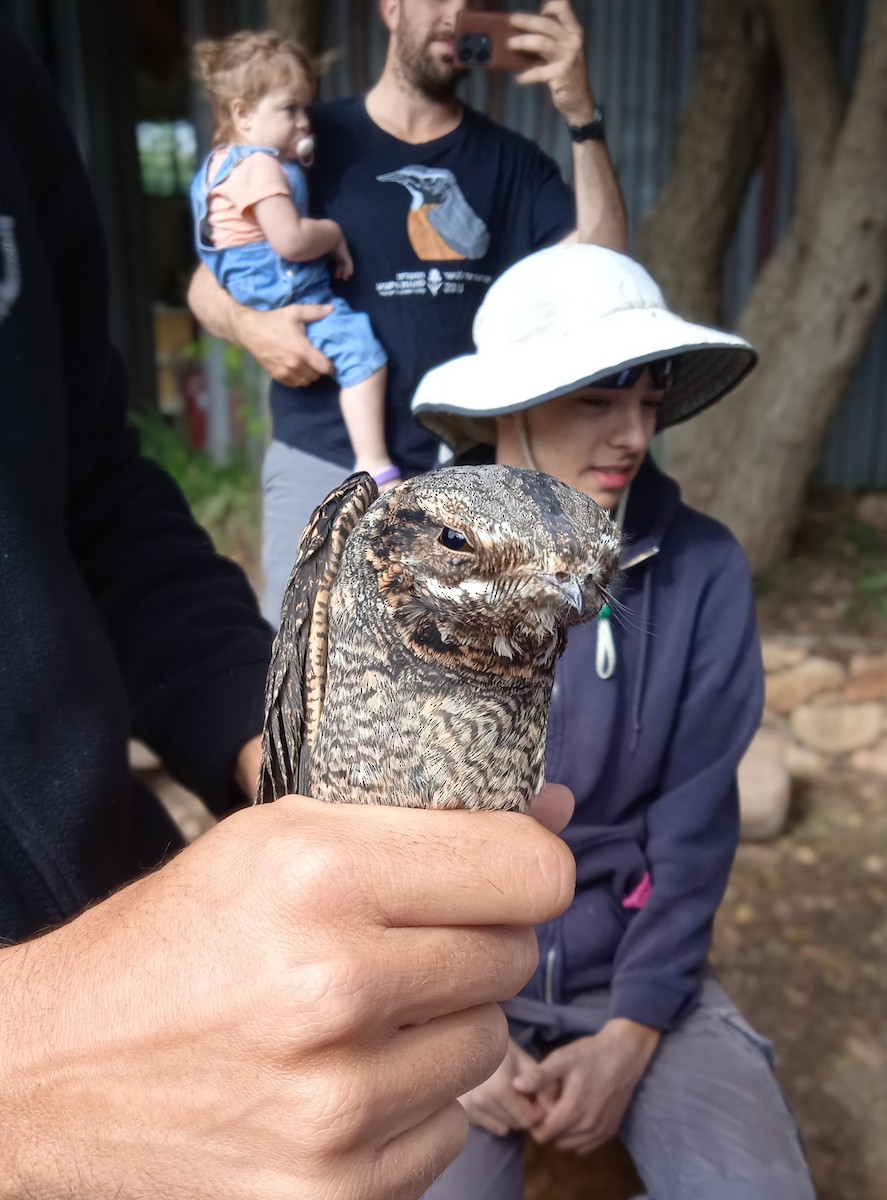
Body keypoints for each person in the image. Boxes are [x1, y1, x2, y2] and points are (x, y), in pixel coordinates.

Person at [0, 21, 576, 1198]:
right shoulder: (324, 148)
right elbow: (224, 264)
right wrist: (25, 1078)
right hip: (331, 472)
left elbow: (89, 489)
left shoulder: (9, 81)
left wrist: (287, 756)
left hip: (138, 902)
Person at [411, 243, 816, 1199]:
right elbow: (383, 830)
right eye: (597, 398)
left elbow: (693, 816)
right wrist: (447, 1031)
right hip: (453, 990)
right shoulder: (411, 567)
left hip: (634, 977)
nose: (632, 433)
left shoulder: (702, 568)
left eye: (648, 399)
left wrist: (635, 1028)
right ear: (512, 401)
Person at [188, 0, 627, 623]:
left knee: (457, 706)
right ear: (390, 7)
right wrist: (252, 327)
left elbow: (603, 263)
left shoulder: (512, 162)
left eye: (477, 4)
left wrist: (582, 116)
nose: (458, 13)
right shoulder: (305, 139)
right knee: (304, 691)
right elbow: (207, 285)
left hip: (467, 481)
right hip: (323, 465)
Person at [191, 31, 398, 491]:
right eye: (289, 109)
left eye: (306, 107)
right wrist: (333, 233)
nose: (305, 122)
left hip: (246, 280)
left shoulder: (217, 164)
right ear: (243, 114)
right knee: (362, 353)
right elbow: (289, 240)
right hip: (282, 283)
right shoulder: (260, 166)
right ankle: (374, 462)